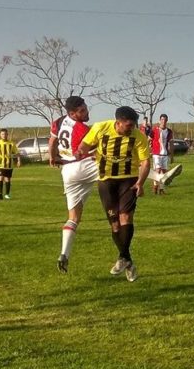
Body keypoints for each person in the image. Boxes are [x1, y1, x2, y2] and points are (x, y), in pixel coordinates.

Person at [76, 106, 150, 283]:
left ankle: (122, 258)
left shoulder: (138, 137)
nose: (131, 128)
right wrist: (81, 150)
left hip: (128, 180)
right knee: (115, 225)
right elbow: (85, 144)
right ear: (118, 122)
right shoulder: (100, 128)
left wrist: (140, 182)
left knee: (126, 217)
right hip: (106, 181)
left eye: (133, 125)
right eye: (128, 125)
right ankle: (127, 260)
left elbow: (145, 162)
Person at [48, 96, 97, 273]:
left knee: (73, 217)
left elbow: (53, 141)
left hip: (67, 172)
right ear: (72, 113)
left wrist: (52, 157)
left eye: (86, 108)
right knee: (119, 165)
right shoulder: (82, 128)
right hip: (82, 167)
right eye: (82, 111)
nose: (86, 112)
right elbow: (93, 148)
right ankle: (159, 178)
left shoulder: (59, 122)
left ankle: (64, 255)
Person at [0, 128, 20, 200]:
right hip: (0, 164)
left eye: (5, 134)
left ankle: (7, 194)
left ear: (7, 135)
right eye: (3, 134)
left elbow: (17, 153)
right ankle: (0, 193)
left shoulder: (11, 144)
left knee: (7, 179)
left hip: (9, 164)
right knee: (0, 177)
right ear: (0, 135)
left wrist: (19, 161)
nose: (4, 135)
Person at [150, 114, 175, 194]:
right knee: (157, 170)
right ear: (160, 120)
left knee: (164, 172)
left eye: (165, 120)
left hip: (165, 154)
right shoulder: (154, 130)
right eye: (162, 119)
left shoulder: (169, 131)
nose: (163, 121)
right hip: (156, 154)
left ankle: (161, 189)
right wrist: (147, 151)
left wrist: (172, 156)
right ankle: (155, 185)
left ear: (167, 121)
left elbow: (171, 143)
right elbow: (148, 140)